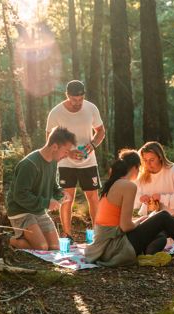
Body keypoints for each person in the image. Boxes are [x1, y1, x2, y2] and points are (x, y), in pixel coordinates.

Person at [84, 150, 174, 267]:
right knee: (163, 217)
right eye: (140, 167)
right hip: (115, 249)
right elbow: (126, 226)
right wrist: (139, 222)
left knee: (158, 231)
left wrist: (143, 220)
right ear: (135, 167)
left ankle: (149, 255)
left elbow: (118, 222)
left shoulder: (113, 184)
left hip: (103, 249)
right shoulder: (128, 186)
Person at [46, 80, 106, 241]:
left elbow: (100, 131)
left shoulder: (91, 108)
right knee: (67, 197)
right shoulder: (56, 112)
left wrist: (92, 145)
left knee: (93, 197)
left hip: (88, 161)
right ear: (67, 96)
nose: (77, 103)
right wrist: (67, 152)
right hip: (65, 161)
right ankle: (67, 235)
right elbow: (49, 139)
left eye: (80, 99)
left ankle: (97, 234)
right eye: (74, 99)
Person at [6, 127, 76, 250]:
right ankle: (7, 240)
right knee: (42, 247)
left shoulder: (53, 162)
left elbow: (53, 185)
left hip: (38, 210)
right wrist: (46, 203)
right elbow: (19, 195)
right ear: (54, 146)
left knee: (55, 247)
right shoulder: (29, 164)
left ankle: (29, 237)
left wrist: (61, 192)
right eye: (65, 151)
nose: (67, 155)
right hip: (21, 211)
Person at [135, 141, 174, 228]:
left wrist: (162, 198)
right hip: (149, 219)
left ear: (160, 157)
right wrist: (140, 198)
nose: (148, 164)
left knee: (159, 239)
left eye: (152, 160)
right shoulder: (142, 175)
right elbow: (134, 200)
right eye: (145, 160)